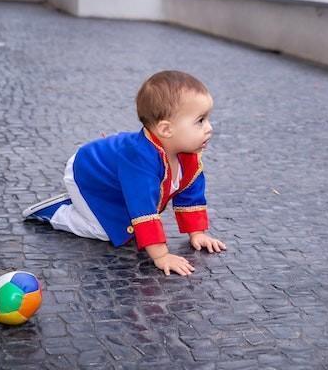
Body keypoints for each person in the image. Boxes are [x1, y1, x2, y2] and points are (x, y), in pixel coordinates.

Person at [22, 70, 226, 276]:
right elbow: (143, 207)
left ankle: (88, 206)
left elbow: (190, 194)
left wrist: (197, 233)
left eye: (207, 119)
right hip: (88, 172)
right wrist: (161, 255)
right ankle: (58, 211)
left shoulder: (189, 156)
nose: (209, 128)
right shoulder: (140, 161)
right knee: (106, 231)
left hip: (116, 175)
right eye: (200, 121)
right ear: (166, 130)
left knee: (127, 222)